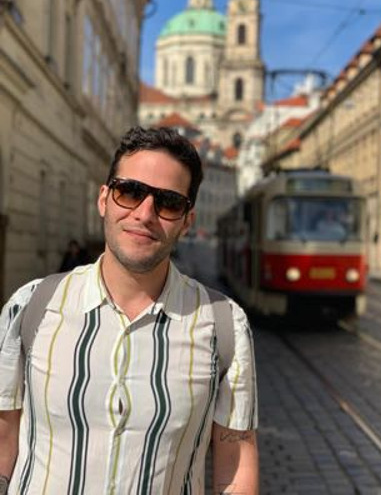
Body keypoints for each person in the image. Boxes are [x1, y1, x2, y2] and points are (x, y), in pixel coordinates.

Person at [0, 126, 258, 494]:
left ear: (187, 221)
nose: (145, 213)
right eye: (130, 192)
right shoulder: (31, 306)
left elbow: (235, 464)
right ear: (104, 199)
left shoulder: (224, 324)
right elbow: (3, 434)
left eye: (169, 202)